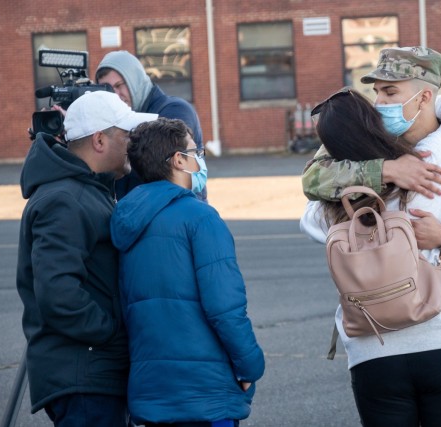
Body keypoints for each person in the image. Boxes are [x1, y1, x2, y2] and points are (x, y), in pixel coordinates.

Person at [301, 47, 441, 427]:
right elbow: (313, 179)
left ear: (425, 96)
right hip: (378, 322)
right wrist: (386, 170)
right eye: (376, 92)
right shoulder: (365, 143)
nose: (378, 102)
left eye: (390, 93)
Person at [110, 118, 265, 427]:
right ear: (179, 159)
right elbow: (225, 306)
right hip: (205, 394)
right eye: (196, 150)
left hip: (152, 391)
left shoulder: (127, 219)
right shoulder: (201, 218)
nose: (200, 157)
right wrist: (251, 366)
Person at [16, 90, 158, 425]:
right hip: (84, 376)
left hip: (90, 372)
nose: (134, 144)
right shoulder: (64, 198)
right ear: (99, 140)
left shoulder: (86, 189)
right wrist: (112, 334)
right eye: (128, 135)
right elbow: (58, 294)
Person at [96, 50, 205, 200]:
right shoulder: (115, 121)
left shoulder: (175, 109)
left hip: (178, 215)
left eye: (119, 85)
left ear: (136, 81)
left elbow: (155, 162)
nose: (115, 94)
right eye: (107, 90)